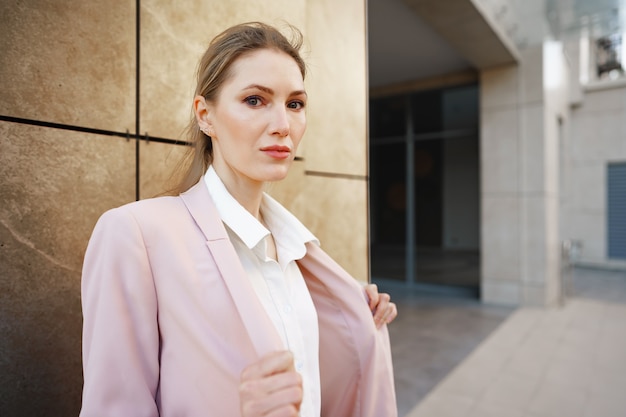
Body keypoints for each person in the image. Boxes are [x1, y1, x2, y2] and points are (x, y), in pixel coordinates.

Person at [80, 21, 397, 417]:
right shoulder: (136, 234)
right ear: (205, 115)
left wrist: (355, 312)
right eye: (254, 100)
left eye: (295, 104)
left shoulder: (296, 252)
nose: (283, 125)